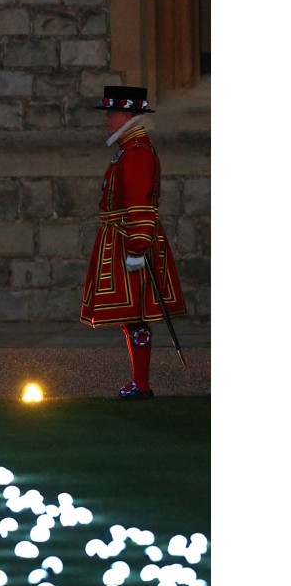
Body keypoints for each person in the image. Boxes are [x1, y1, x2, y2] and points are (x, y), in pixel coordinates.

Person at [79, 85, 187, 400]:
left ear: (127, 115)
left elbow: (140, 203)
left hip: (129, 241)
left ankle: (141, 384)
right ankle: (139, 382)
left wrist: (138, 246)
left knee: (135, 316)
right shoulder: (129, 148)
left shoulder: (137, 152)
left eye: (111, 113)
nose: (107, 119)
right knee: (132, 317)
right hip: (122, 237)